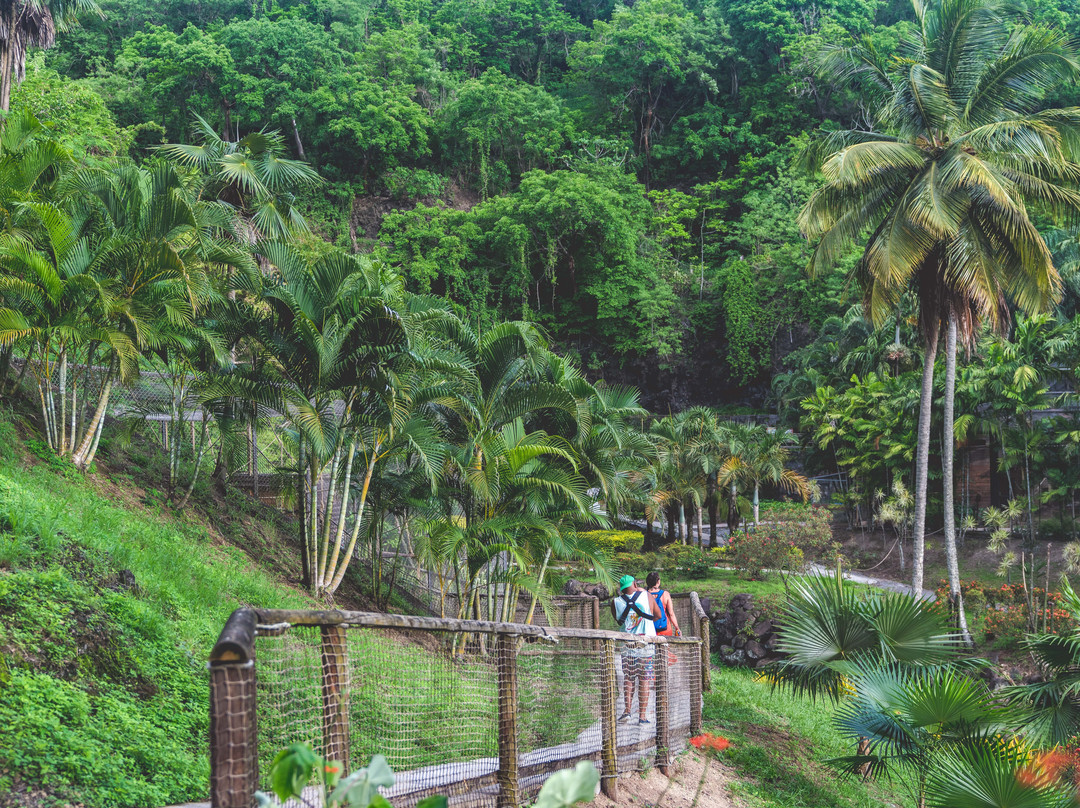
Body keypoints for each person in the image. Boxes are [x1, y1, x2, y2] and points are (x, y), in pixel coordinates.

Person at [610, 573, 661, 724]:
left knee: (629, 677)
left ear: (622, 589)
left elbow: (619, 620)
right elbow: (657, 615)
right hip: (646, 643)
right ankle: (642, 716)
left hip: (627, 645)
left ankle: (627, 712)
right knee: (644, 679)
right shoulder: (646, 596)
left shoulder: (615, 602)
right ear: (634, 585)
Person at [646, 572, 681, 638]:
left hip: (650, 629)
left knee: (651, 648)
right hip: (665, 629)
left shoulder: (644, 595)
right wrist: (677, 628)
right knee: (664, 648)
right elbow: (671, 614)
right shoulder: (665, 594)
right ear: (658, 582)